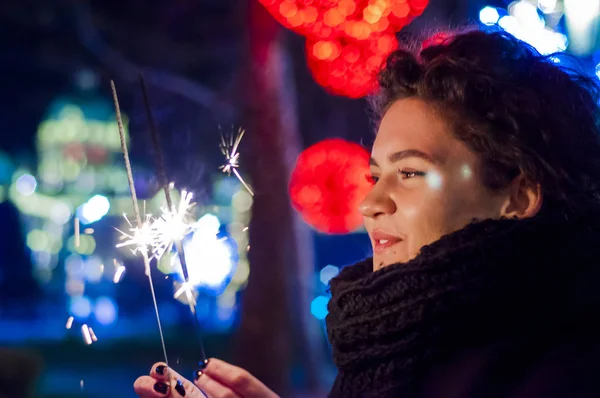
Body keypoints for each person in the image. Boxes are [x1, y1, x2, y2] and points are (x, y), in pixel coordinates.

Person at [134, 29, 600, 397]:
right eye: (376, 177)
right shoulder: (388, 353)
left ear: (518, 196)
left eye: (411, 173)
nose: (370, 204)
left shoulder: (565, 365)